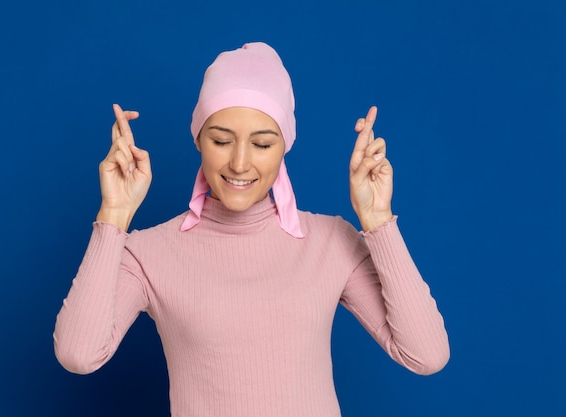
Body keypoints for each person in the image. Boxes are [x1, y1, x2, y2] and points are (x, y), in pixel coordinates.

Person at [54, 42, 449, 417]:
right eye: (222, 140)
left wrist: (377, 219)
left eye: (261, 144)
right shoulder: (149, 252)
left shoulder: (330, 241)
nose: (240, 163)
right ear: (198, 140)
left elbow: (426, 355)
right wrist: (114, 214)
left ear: (284, 147)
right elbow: (78, 354)